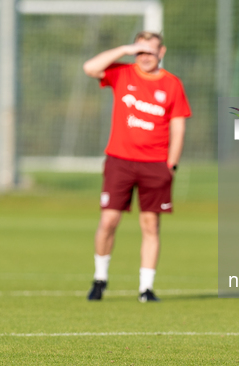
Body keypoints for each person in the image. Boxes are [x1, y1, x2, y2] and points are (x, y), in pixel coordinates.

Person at [82, 31, 192, 302]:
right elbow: (90, 68)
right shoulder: (123, 73)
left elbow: (178, 125)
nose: (144, 57)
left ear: (161, 52)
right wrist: (123, 48)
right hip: (120, 160)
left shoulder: (171, 84)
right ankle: (100, 279)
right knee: (108, 220)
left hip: (155, 163)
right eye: (140, 51)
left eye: (150, 51)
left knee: (150, 225)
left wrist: (172, 163)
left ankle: (146, 287)